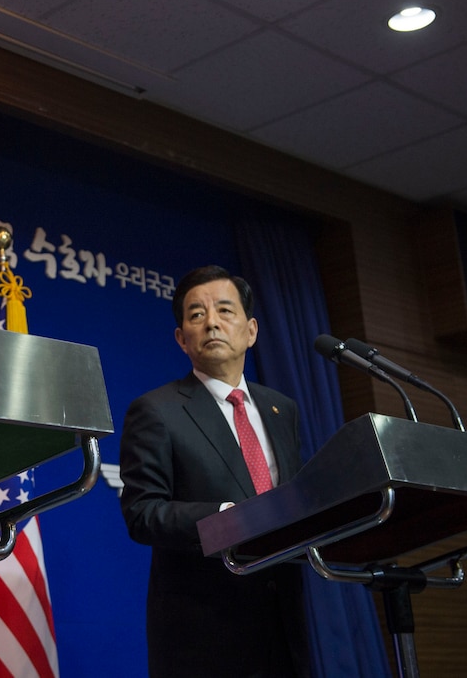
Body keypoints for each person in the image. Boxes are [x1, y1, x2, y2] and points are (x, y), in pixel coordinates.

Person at [118, 265, 310, 678]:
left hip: (286, 620)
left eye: (225, 310)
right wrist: (229, 518)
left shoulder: (283, 409)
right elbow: (142, 513)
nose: (212, 323)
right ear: (181, 338)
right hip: (204, 632)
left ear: (251, 330)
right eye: (196, 315)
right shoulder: (157, 411)